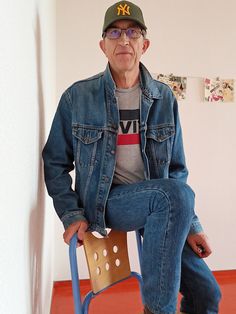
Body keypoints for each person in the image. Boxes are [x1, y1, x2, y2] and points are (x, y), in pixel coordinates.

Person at [42, 1, 221, 313]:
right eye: (114, 33)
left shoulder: (163, 97)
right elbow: (55, 161)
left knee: (208, 295)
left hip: (163, 206)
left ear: (144, 44)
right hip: (109, 204)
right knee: (172, 195)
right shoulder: (78, 97)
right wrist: (71, 214)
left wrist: (191, 224)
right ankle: (157, 309)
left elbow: (176, 169)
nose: (123, 40)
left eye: (132, 32)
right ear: (103, 45)